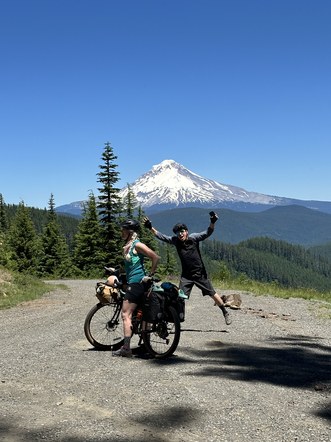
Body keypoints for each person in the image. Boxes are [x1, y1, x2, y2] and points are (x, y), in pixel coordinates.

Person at [143, 212, 232, 326]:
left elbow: (207, 232)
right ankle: (177, 320)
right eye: (177, 232)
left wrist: (212, 222)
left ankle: (225, 312)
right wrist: (151, 228)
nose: (180, 234)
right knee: (179, 297)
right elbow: (162, 237)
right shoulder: (175, 241)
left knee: (212, 294)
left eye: (182, 231)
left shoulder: (194, 238)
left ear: (186, 231)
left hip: (200, 274)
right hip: (186, 276)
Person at [112, 219, 160, 357]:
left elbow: (155, 257)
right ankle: (145, 343)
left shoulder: (137, 245)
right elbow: (131, 265)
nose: (121, 232)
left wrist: (150, 274)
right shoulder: (129, 245)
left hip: (137, 283)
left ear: (129, 231)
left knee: (126, 314)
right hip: (135, 282)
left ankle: (126, 348)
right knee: (142, 312)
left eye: (123, 229)